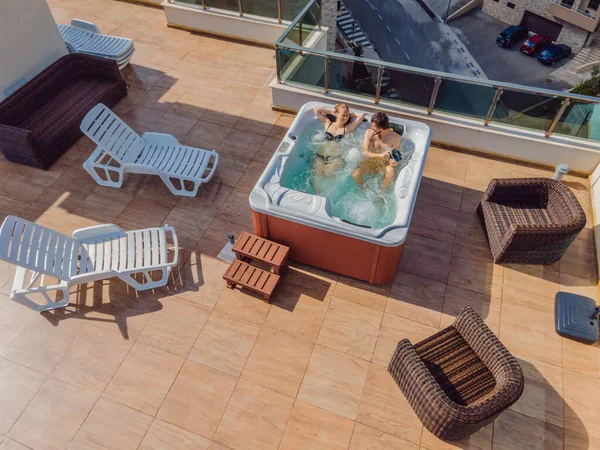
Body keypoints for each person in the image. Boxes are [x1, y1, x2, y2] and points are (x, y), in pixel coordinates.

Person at [352, 112, 401, 191]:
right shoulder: (369, 132)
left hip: (383, 165)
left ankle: (382, 192)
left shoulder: (395, 138)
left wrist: (393, 162)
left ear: (383, 127)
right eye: (372, 125)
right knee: (355, 174)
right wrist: (381, 155)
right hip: (370, 162)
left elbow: (396, 156)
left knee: (391, 171)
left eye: (374, 127)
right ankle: (364, 189)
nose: (372, 128)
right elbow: (366, 151)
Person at [312, 104, 364, 178]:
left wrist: (348, 114)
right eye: (343, 115)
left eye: (347, 115)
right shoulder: (328, 123)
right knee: (316, 176)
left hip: (335, 159)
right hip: (320, 156)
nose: (346, 118)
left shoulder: (347, 129)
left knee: (327, 176)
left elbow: (361, 116)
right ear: (336, 114)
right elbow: (315, 109)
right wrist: (331, 111)